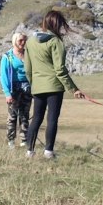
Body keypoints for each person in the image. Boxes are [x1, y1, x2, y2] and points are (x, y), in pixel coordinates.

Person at [23, 10, 86, 159]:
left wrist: (34, 84)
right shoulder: (56, 42)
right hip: (54, 87)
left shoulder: (30, 41)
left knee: (36, 118)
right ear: (57, 24)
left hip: (37, 86)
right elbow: (60, 70)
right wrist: (74, 89)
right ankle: (48, 152)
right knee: (52, 119)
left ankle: (29, 152)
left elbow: (27, 69)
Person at [0, 32, 31, 149]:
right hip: (14, 89)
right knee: (12, 116)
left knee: (25, 115)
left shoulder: (29, 55)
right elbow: (3, 76)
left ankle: (24, 140)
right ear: (14, 41)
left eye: (24, 40)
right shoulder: (7, 56)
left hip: (27, 88)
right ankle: (11, 141)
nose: (23, 43)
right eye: (20, 40)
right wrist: (7, 94)